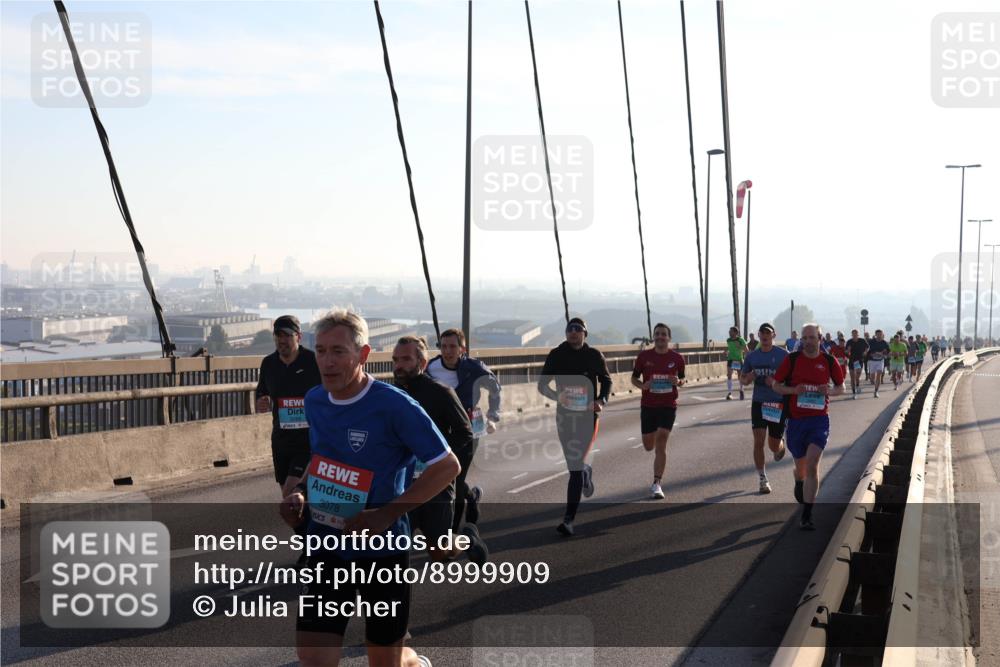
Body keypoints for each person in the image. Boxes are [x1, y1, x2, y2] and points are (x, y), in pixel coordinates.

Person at [280, 310, 459, 667]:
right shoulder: (315, 400)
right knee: (314, 659)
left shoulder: (395, 406)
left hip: (383, 550)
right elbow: (323, 456)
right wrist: (300, 492)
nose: (327, 362)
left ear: (362, 355)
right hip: (328, 544)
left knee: (384, 662)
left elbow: (446, 466)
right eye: (321, 351)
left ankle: (412, 662)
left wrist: (386, 513)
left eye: (339, 352)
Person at [392, 336, 487, 564]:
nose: (398, 365)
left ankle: (466, 538)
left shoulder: (440, 392)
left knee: (439, 553)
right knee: (395, 547)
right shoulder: (390, 395)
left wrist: (437, 460)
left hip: (436, 483)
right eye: (395, 360)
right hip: (404, 485)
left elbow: (464, 432)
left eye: (406, 359)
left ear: (422, 363)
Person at [537, 317, 612, 536]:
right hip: (565, 417)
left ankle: (568, 520)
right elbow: (542, 385)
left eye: (578, 330)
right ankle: (585, 473)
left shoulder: (594, 355)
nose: (573, 333)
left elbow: (607, 380)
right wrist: (557, 397)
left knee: (576, 467)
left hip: (588, 417)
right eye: (570, 329)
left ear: (585, 334)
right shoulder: (557, 355)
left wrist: (601, 400)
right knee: (574, 466)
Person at [767, 323, 845, 530]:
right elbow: (776, 385)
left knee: (812, 464)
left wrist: (828, 391)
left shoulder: (828, 361)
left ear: (820, 338)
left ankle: (807, 514)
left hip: (819, 420)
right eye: (805, 338)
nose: (809, 341)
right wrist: (794, 390)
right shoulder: (792, 360)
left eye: (812, 337)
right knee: (801, 466)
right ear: (801, 339)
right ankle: (798, 480)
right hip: (796, 421)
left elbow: (841, 387)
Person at [426, 328, 502, 530]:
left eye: (452, 346)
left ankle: (451, 533)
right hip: (442, 429)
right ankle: (472, 495)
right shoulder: (431, 368)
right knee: (444, 478)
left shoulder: (474, 368)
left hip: (470, 428)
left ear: (462, 349)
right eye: (443, 346)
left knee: (456, 482)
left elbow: (495, 387)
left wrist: (493, 415)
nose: (448, 351)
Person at [256, 315, 322, 500]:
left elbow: (329, 391)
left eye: (287, 335)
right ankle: (308, 528)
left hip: (306, 441)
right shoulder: (269, 364)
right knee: (291, 500)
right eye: (278, 335)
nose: (282, 340)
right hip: (281, 441)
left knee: (290, 494)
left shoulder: (312, 361)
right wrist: (262, 400)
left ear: (298, 337)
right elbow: (261, 391)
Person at [630, 323, 686, 499]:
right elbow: (634, 378)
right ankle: (651, 438)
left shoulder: (677, 358)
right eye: (657, 334)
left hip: (668, 405)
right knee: (649, 445)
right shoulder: (644, 356)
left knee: (661, 441)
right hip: (648, 405)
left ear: (669, 338)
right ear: (653, 337)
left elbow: (683, 379)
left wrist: (678, 382)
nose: (660, 337)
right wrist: (642, 385)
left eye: (663, 334)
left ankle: (657, 483)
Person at [739, 323, 788, 494]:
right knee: (758, 441)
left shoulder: (783, 355)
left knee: (773, 445)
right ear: (759, 336)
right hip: (759, 403)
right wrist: (749, 377)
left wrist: (775, 382)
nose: (765, 336)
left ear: (774, 335)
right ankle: (762, 478)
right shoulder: (752, 357)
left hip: (777, 403)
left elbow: (791, 379)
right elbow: (743, 379)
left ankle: (781, 446)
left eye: (768, 333)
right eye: (762, 333)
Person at [725, 326, 749, 400]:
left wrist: (740, 347)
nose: (729, 332)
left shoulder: (740, 339)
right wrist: (727, 352)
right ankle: (729, 393)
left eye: (731, 331)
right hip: (731, 359)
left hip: (738, 360)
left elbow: (746, 350)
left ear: (736, 332)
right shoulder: (728, 340)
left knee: (740, 376)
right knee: (729, 375)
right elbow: (730, 348)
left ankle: (741, 390)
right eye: (729, 331)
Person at [844, 329, 869, 399]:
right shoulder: (849, 342)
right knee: (852, 378)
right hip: (852, 360)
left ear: (858, 334)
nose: (855, 335)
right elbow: (846, 352)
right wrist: (848, 351)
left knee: (857, 377)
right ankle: (854, 393)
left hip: (859, 360)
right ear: (852, 335)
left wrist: (865, 352)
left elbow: (868, 347)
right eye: (853, 334)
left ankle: (857, 385)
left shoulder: (862, 341)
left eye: (856, 334)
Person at [866, 330, 890, 398]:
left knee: (879, 374)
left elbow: (888, 352)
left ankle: (876, 391)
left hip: (880, 361)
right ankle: (872, 379)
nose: (879, 336)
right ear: (875, 335)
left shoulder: (885, 343)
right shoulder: (871, 342)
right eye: (878, 334)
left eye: (880, 334)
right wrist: (872, 353)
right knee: (872, 377)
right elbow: (867, 350)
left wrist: (884, 354)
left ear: (882, 335)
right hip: (872, 360)